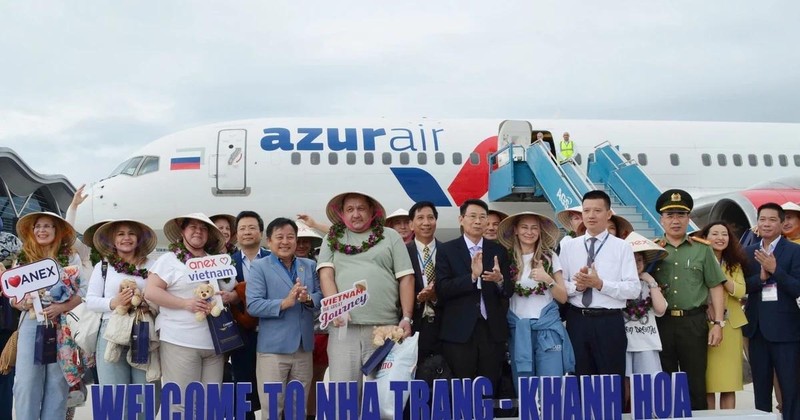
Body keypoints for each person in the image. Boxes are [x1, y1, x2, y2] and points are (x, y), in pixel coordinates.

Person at [317, 192, 415, 392]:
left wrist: (407, 316)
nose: (356, 214)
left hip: (384, 327)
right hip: (344, 329)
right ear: (342, 213)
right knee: (343, 394)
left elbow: (406, 277)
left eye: (361, 208)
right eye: (350, 209)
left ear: (372, 211)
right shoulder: (331, 238)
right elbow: (326, 275)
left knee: (380, 395)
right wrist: (336, 307)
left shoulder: (390, 236)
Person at [144, 213, 226, 415]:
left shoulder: (213, 261)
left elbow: (222, 292)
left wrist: (228, 296)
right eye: (193, 227)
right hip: (180, 340)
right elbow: (151, 291)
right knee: (180, 405)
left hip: (214, 343)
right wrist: (184, 303)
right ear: (183, 231)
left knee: (210, 405)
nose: (198, 231)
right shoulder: (169, 260)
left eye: (204, 228)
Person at [652, 189, 726, 411]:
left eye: (681, 215)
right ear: (661, 219)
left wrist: (718, 324)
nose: (675, 221)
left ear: (688, 218)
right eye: (670, 215)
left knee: (694, 380)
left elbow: (715, 286)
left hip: (693, 322)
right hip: (661, 323)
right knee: (663, 379)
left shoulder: (702, 250)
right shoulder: (652, 250)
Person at [10, 211, 88, 420]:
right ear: (32, 230)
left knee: (57, 382)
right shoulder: (23, 258)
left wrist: (61, 307)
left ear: (57, 230)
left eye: (47, 226)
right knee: (26, 382)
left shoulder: (71, 257)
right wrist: (22, 302)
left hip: (61, 326)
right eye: (38, 226)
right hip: (31, 324)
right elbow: (13, 298)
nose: (42, 230)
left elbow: (83, 292)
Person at [560, 191, 640, 381]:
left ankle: (613, 412)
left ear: (609, 213)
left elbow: (633, 289)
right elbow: (561, 284)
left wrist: (601, 284)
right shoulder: (569, 246)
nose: (591, 215)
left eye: (597, 210)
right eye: (586, 210)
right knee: (580, 377)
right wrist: (578, 287)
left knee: (612, 379)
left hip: (609, 321)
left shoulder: (622, 247)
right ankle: (582, 412)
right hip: (577, 319)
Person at [247, 217, 322, 419]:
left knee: (299, 409)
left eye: (290, 237)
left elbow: (321, 297)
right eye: (279, 237)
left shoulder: (309, 265)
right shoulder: (259, 266)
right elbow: (253, 305)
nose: (285, 241)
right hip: (273, 350)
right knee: (272, 408)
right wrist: (284, 303)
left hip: (303, 348)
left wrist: (307, 299)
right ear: (269, 241)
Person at [435, 199, 512, 388]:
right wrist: (471, 277)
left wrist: (499, 281)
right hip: (459, 331)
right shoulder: (447, 250)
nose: (478, 221)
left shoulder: (499, 251)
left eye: (482, 217)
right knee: (461, 387)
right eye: (473, 216)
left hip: (491, 330)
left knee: (489, 385)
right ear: (461, 219)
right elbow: (442, 289)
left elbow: (508, 291)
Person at [86, 219, 158, 416]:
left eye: (131, 233)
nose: (126, 238)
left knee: (144, 396)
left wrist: (148, 304)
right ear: (112, 240)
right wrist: (114, 302)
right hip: (111, 332)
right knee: (114, 398)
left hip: (143, 330)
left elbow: (160, 296)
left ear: (139, 238)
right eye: (120, 234)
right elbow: (90, 301)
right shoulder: (103, 266)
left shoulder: (153, 266)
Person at [497, 211, 573, 385]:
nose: (529, 232)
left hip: (547, 329)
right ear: (515, 230)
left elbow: (563, 297)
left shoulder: (550, 256)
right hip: (519, 330)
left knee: (551, 385)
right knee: (525, 387)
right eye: (524, 227)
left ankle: (552, 414)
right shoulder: (506, 258)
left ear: (540, 231)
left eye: (534, 228)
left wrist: (548, 279)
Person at [742, 203, 800, 418]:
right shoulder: (749, 252)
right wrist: (761, 278)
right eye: (762, 219)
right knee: (761, 388)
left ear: (782, 223)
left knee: (791, 387)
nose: (766, 224)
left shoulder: (794, 251)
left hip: (786, 332)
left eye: (772, 219)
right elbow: (742, 286)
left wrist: (776, 270)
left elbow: (797, 288)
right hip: (757, 330)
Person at [697, 221, 749, 410]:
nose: (720, 238)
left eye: (724, 234)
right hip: (704, 324)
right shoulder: (697, 261)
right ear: (705, 238)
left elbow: (741, 291)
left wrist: (718, 274)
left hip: (730, 327)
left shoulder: (733, 264)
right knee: (708, 384)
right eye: (715, 234)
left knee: (729, 383)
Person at [228, 210, 270, 420]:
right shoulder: (227, 263)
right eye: (242, 228)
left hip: (272, 333)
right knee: (243, 386)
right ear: (236, 234)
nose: (247, 232)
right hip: (241, 334)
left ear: (261, 233)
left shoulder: (275, 259)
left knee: (273, 386)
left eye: (252, 227)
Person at [622, 233, 668, 408]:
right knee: (625, 385)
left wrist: (651, 282)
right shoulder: (619, 284)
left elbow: (660, 309)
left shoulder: (649, 284)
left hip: (647, 343)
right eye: (631, 260)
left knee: (648, 385)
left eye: (639, 260)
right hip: (625, 343)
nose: (636, 264)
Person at [295, 218, 325, 420]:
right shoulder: (278, 265)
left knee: (316, 380)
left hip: (320, 330)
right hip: (295, 332)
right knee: (296, 382)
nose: (302, 245)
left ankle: (311, 416)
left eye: (306, 241)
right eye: (299, 240)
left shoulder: (321, 265)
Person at [406, 201, 443, 362]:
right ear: (411, 224)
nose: (426, 222)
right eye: (420, 218)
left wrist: (435, 297)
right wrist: (417, 299)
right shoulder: (402, 253)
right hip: (413, 325)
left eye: (431, 217)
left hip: (443, 325)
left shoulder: (448, 251)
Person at [0, 218, 21, 420]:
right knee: (5, 375)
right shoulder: (13, 242)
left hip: (6, 321)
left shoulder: (10, 241)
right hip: (8, 320)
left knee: (4, 375)